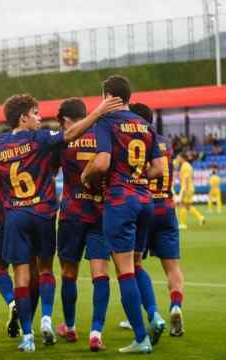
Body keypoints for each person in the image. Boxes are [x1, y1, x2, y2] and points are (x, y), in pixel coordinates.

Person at [0, 93, 122, 352]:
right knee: (46, 270)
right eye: (35, 113)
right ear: (23, 118)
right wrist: (98, 112)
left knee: (21, 275)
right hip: (45, 213)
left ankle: (28, 336)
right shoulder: (41, 138)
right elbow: (67, 135)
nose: (40, 117)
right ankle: (47, 317)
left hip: (15, 216)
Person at [82, 75, 166, 354]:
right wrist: (137, 175)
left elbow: (103, 162)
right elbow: (158, 169)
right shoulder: (145, 125)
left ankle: (141, 338)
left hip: (120, 200)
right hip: (145, 201)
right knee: (137, 264)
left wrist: (87, 174)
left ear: (108, 97)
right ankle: (154, 315)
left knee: (125, 271)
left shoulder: (106, 122)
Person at [112, 102, 185, 338]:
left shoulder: (136, 139)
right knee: (172, 266)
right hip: (166, 205)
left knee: (133, 265)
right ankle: (175, 305)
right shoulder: (164, 143)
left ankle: (146, 314)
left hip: (141, 203)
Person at [53, 98, 111, 351]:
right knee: (101, 274)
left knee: (68, 273)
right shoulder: (102, 136)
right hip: (100, 213)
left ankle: (70, 326)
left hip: (72, 214)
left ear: (65, 119)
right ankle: (96, 332)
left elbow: (51, 170)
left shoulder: (64, 140)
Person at [176, 152, 205, 229]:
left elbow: (186, 179)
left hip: (187, 188)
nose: (177, 159)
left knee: (182, 205)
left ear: (182, 158)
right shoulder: (187, 166)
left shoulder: (185, 166)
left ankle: (183, 224)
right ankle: (200, 217)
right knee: (188, 206)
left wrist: (185, 190)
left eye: (178, 157)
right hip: (189, 188)